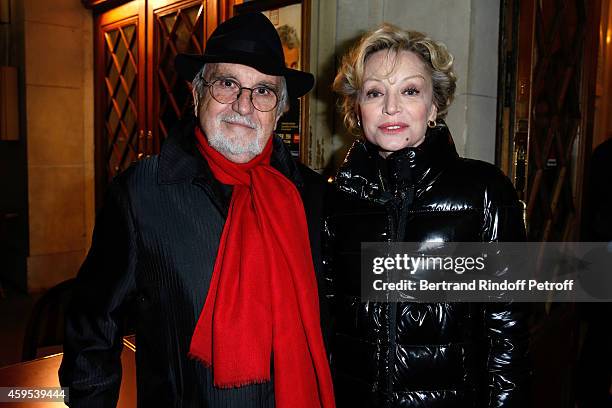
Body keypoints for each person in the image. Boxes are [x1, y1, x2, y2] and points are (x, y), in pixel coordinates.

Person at [59, 12, 335, 408]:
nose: (244, 104)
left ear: (280, 110)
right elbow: (91, 333)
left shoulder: (310, 196)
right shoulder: (140, 194)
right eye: (227, 83)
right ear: (197, 94)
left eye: (263, 91)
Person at [326, 24, 531, 407]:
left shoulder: (485, 191)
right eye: (374, 93)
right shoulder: (337, 198)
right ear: (357, 107)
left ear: (434, 104)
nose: (391, 107)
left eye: (409, 90)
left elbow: (508, 334)